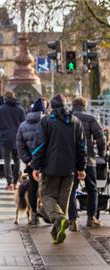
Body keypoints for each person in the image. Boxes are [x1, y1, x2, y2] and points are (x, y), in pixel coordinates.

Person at [33, 94, 86, 244]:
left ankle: (60, 221)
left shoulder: (47, 121)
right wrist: (81, 168)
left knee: (47, 197)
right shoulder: (76, 122)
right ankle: (58, 235)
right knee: (62, 203)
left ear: (52, 106)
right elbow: (82, 147)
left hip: (50, 168)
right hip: (70, 170)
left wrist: (35, 166)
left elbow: (40, 146)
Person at [68, 97, 106, 231]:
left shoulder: (68, 118)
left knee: (71, 189)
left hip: (70, 160)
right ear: (85, 105)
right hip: (88, 158)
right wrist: (102, 154)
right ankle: (91, 218)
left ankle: (73, 219)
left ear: (73, 105)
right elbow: (100, 139)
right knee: (92, 188)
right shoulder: (90, 119)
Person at [16, 98, 46, 225]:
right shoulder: (47, 122)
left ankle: (34, 215)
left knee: (32, 188)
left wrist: (28, 160)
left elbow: (20, 146)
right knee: (46, 188)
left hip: (30, 164)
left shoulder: (23, 125)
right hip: (45, 162)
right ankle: (46, 212)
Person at [0, 92, 25, 191]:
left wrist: (0, 135)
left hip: (5, 138)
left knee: (7, 161)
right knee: (17, 160)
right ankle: (15, 183)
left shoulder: (0, 109)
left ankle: (10, 183)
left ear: (5, 99)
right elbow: (24, 124)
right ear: (14, 97)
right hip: (17, 138)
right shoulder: (20, 109)